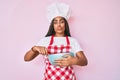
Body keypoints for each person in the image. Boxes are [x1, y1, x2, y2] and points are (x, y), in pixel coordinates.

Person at [24, 2, 88, 80]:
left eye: (61, 21)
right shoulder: (45, 41)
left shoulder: (72, 41)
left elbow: (84, 61)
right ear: (52, 25)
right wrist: (34, 48)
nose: (59, 25)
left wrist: (74, 61)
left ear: (65, 24)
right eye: (55, 22)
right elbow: (26, 59)